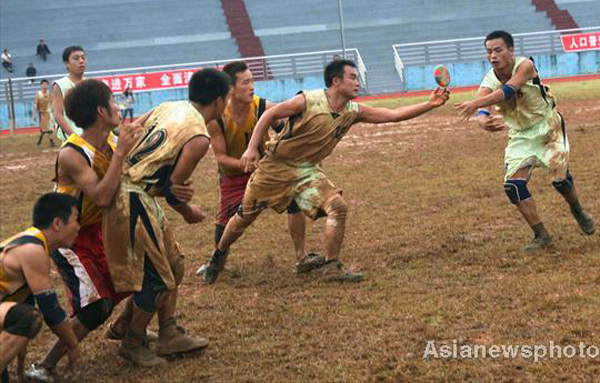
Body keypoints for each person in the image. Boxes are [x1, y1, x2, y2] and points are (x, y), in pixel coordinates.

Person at [201, 59, 450, 284]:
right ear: (335, 81)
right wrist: (252, 149)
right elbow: (270, 114)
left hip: (306, 171)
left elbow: (393, 114)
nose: (357, 82)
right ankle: (218, 256)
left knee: (338, 207)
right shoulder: (308, 100)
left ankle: (332, 266)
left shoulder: (353, 111)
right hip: (274, 169)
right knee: (243, 218)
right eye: (352, 77)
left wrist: (430, 103)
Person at [102, 68, 231, 366]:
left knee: (173, 263)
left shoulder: (168, 106)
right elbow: (174, 190)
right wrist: (189, 211)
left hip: (133, 193)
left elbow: (128, 132)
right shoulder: (199, 137)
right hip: (133, 198)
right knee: (159, 278)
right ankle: (133, 341)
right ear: (220, 100)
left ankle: (161, 330)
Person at [24, 79, 144, 382]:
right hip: (68, 237)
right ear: (102, 111)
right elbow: (102, 196)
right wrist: (121, 155)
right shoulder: (72, 152)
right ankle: (45, 366)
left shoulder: (113, 142)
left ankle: (127, 331)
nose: (119, 107)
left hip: (99, 230)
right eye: (114, 102)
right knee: (96, 308)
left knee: (140, 281)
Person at [455, 30, 595, 252]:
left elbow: (509, 90)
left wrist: (476, 103)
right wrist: (482, 119)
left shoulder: (525, 65)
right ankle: (541, 235)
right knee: (513, 186)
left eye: (498, 50)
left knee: (560, 181)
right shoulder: (489, 79)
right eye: (489, 51)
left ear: (510, 50)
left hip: (548, 127)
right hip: (520, 135)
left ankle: (577, 209)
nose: (493, 56)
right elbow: (484, 108)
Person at [196, 61, 321, 281]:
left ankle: (302, 257)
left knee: (294, 201)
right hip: (233, 177)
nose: (252, 86)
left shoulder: (263, 107)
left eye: (253, 80)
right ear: (231, 89)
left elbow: (286, 131)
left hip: (265, 172)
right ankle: (216, 262)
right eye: (246, 82)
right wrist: (245, 163)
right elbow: (222, 159)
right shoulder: (217, 118)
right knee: (225, 227)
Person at [1, 193, 82, 382]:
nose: (79, 228)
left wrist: (19, 369)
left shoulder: (32, 243)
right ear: (57, 223)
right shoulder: (33, 251)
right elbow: (51, 310)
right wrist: (73, 345)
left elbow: (21, 307)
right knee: (29, 317)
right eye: (76, 221)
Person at [53, 46, 86, 142]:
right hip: (73, 140)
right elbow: (58, 114)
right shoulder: (60, 85)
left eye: (83, 58)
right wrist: (73, 136)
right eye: (76, 58)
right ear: (67, 63)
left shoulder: (90, 84)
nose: (81, 61)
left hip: (90, 138)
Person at [33, 80, 56, 148]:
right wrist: (34, 114)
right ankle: (39, 142)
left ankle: (51, 142)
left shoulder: (49, 94)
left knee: (51, 128)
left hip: (49, 113)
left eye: (46, 84)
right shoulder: (38, 94)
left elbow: (53, 103)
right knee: (44, 129)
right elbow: (35, 105)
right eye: (43, 84)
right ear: (41, 85)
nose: (45, 86)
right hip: (42, 113)